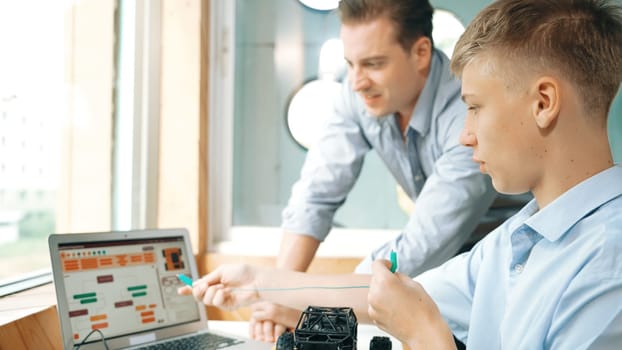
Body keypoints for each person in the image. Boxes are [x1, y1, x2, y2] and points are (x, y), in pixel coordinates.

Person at [181, 0, 622, 348]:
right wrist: (260, 283)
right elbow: (391, 290)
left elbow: (416, 273)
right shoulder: (516, 240)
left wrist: (426, 335)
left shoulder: (609, 264)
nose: (466, 136)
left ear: (543, 103)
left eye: (475, 108)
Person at [253, 0, 501, 342]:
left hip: (500, 273)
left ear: (421, 52)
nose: (356, 82)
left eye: (373, 64)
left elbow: (422, 244)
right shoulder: (358, 94)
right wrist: (277, 298)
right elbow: (315, 197)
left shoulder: (464, 114)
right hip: (439, 272)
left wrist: (315, 308)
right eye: (350, 64)